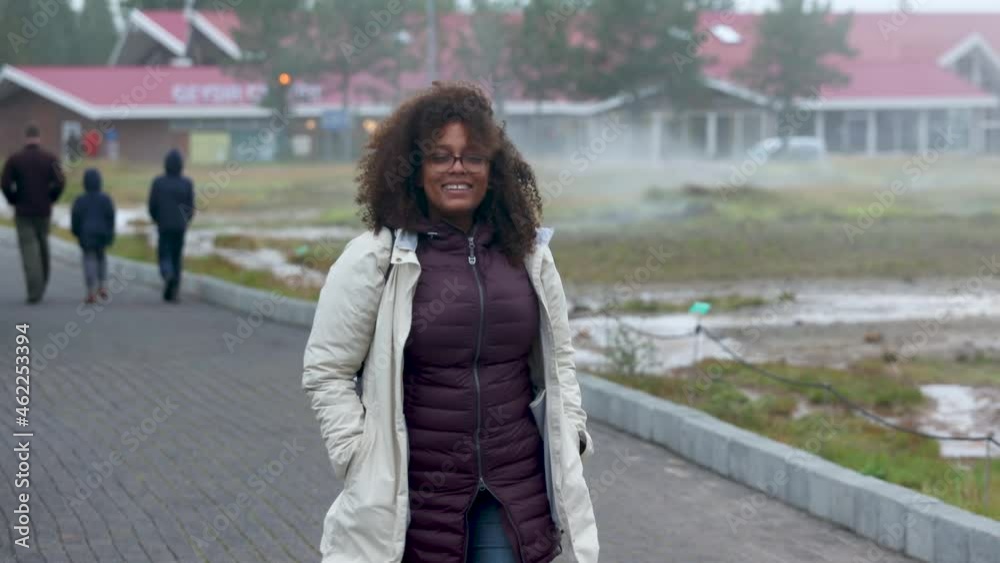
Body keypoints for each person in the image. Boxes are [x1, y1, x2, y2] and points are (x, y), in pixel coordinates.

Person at [302, 82, 598, 563]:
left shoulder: (527, 255)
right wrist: (356, 452)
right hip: (413, 496)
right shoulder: (377, 258)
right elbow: (327, 370)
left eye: (473, 156)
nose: (457, 168)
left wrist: (574, 432)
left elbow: (559, 359)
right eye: (440, 156)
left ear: (493, 169)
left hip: (512, 491)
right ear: (414, 168)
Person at [1, 122, 66, 304]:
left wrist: (13, 199)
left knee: (29, 249)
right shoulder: (50, 159)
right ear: (39, 137)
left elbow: (5, 184)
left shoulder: (15, 159)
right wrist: (51, 198)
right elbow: (60, 182)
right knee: (43, 246)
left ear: (26, 137)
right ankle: (43, 282)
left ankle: (34, 291)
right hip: (43, 210)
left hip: (23, 211)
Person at [148, 149, 195, 302]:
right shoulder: (187, 183)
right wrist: (186, 220)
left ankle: (167, 274)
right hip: (180, 226)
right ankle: (173, 292)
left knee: (164, 253)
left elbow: (152, 205)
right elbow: (190, 206)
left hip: (164, 224)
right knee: (177, 257)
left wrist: (157, 219)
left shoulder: (158, 182)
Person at [70, 168, 116, 304]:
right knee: (101, 258)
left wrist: (76, 232)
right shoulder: (106, 199)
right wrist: (110, 233)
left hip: (86, 234)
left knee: (89, 260)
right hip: (102, 234)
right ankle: (102, 285)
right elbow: (111, 218)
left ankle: (91, 291)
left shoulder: (80, 200)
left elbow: (75, 219)